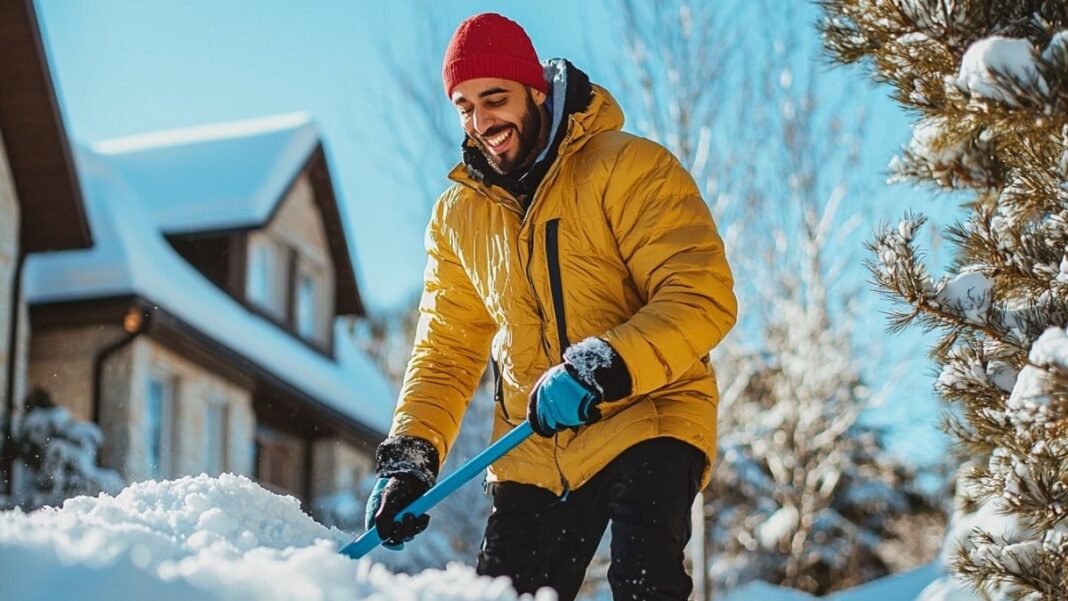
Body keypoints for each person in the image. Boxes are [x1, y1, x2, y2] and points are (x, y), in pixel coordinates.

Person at [365, 12, 737, 601]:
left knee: (644, 579)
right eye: (465, 106)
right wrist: (410, 458)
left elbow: (701, 294)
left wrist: (604, 364)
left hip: (650, 412)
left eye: (496, 98)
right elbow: (445, 350)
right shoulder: (458, 218)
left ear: (536, 90)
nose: (483, 122)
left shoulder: (627, 167)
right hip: (531, 446)